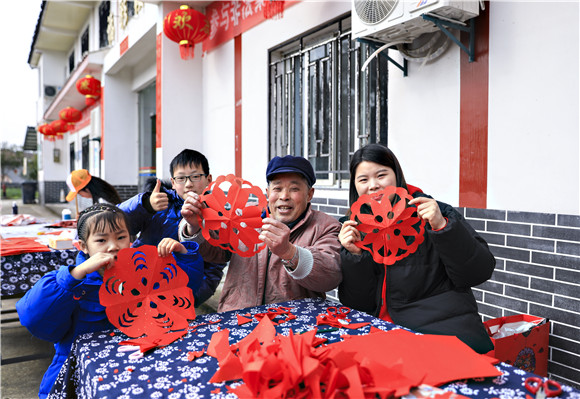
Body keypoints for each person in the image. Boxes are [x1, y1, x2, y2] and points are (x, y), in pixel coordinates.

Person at [15, 203, 204, 399]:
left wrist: (183, 255)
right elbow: (34, 319)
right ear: (83, 247)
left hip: (136, 367)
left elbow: (182, 293)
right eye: (101, 240)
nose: (113, 246)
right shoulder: (73, 282)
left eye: (121, 237)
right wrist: (75, 276)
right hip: (80, 375)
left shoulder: (144, 270)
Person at [338, 143, 495, 354]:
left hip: (440, 333)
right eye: (363, 180)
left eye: (381, 175)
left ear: (397, 175)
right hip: (380, 333)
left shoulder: (435, 212)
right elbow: (358, 303)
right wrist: (354, 256)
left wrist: (442, 227)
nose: (373, 185)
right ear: (354, 186)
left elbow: (478, 272)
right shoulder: (353, 228)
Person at [179, 154, 343, 312]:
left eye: (294, 189)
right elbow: (216, 252)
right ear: (267, 192)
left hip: (295, 327)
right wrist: (195, 226)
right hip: (238, 318)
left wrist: (289, 252)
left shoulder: (326, 226)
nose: (284, 196)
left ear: (309, 194)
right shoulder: (244, 218)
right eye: (277, 188)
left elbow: (330, 276)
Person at [117, 149, 225, 305]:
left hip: (178, 298)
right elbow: (114, 223)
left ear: (209, 179)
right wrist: (146, 205)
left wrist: (185, 300)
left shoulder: (219, 216)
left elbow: (213, 270)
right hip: (137, 285)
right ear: (173, 182)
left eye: (195, 176)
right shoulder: (159, 203)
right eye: (181, 178)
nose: (188, 184)